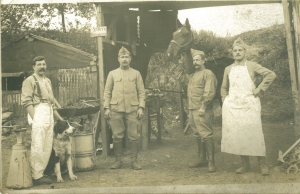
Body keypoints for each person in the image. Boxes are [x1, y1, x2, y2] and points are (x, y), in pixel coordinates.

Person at [221, 37, 276, 176]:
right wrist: (225, 100)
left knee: (255, 133)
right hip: (234, 107)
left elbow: (271, 75)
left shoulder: (252, 65)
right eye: (235, 51)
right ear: (232, 53)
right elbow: (223, 87)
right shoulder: (228, 69)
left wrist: (259, 89)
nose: (238, 52)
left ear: (245, 52)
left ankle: (262, 164)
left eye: (240, 50)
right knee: (239, 135)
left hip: (250, 105)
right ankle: (245, 165)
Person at [21, 56, 64, 185]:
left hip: (48, 112)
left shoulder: (47, 81)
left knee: (47, 144)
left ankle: (41, 173)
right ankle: (36, 176)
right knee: (38, 145)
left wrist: (60, 118)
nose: (42, 67)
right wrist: (36, 118)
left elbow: (52, 102)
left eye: (44, 64)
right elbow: (26, 101)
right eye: (39, 64)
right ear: (33, 67)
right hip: (38, 111)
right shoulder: (29, 80)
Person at [104, 46, 145, 170]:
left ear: (130, 59)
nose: (124, 59)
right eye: (122, 57)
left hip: (133, 109)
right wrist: (106, 107)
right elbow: (107, 92)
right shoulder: (112, 74)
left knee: (134, 136)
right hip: (116, 109)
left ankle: (134, 161)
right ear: (118, 59)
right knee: (117, 136)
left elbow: (141, 92)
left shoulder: (136, 74)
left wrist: (141, 107)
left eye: (127, 57)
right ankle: (118, 161)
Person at [188, 49, 218, 173]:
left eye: (197, 60)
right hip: (192, 108)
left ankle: (211, 162)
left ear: (203, 60)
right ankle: (202, 159)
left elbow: (209, 92)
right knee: (197, 134)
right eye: (194, 60)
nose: (195, 62)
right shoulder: (193, 75)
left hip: (201, 109)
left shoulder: (208, 73)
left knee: (206, 134)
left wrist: (203, 107)